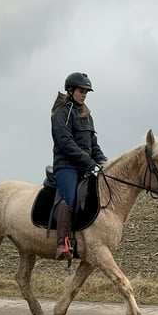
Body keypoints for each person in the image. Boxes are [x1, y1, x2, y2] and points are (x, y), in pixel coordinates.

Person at [50, 72, 108, 260]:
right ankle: (62, 244)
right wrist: (88, 162)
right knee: (71, 198)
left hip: (85, 165)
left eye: (86, 92)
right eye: (81, 91)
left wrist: (103, 162)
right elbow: (65, 142)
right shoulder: (63, 112)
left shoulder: (86, 115)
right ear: (71, 90)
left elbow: (93, 143)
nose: (84, 95)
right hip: (67, 165)